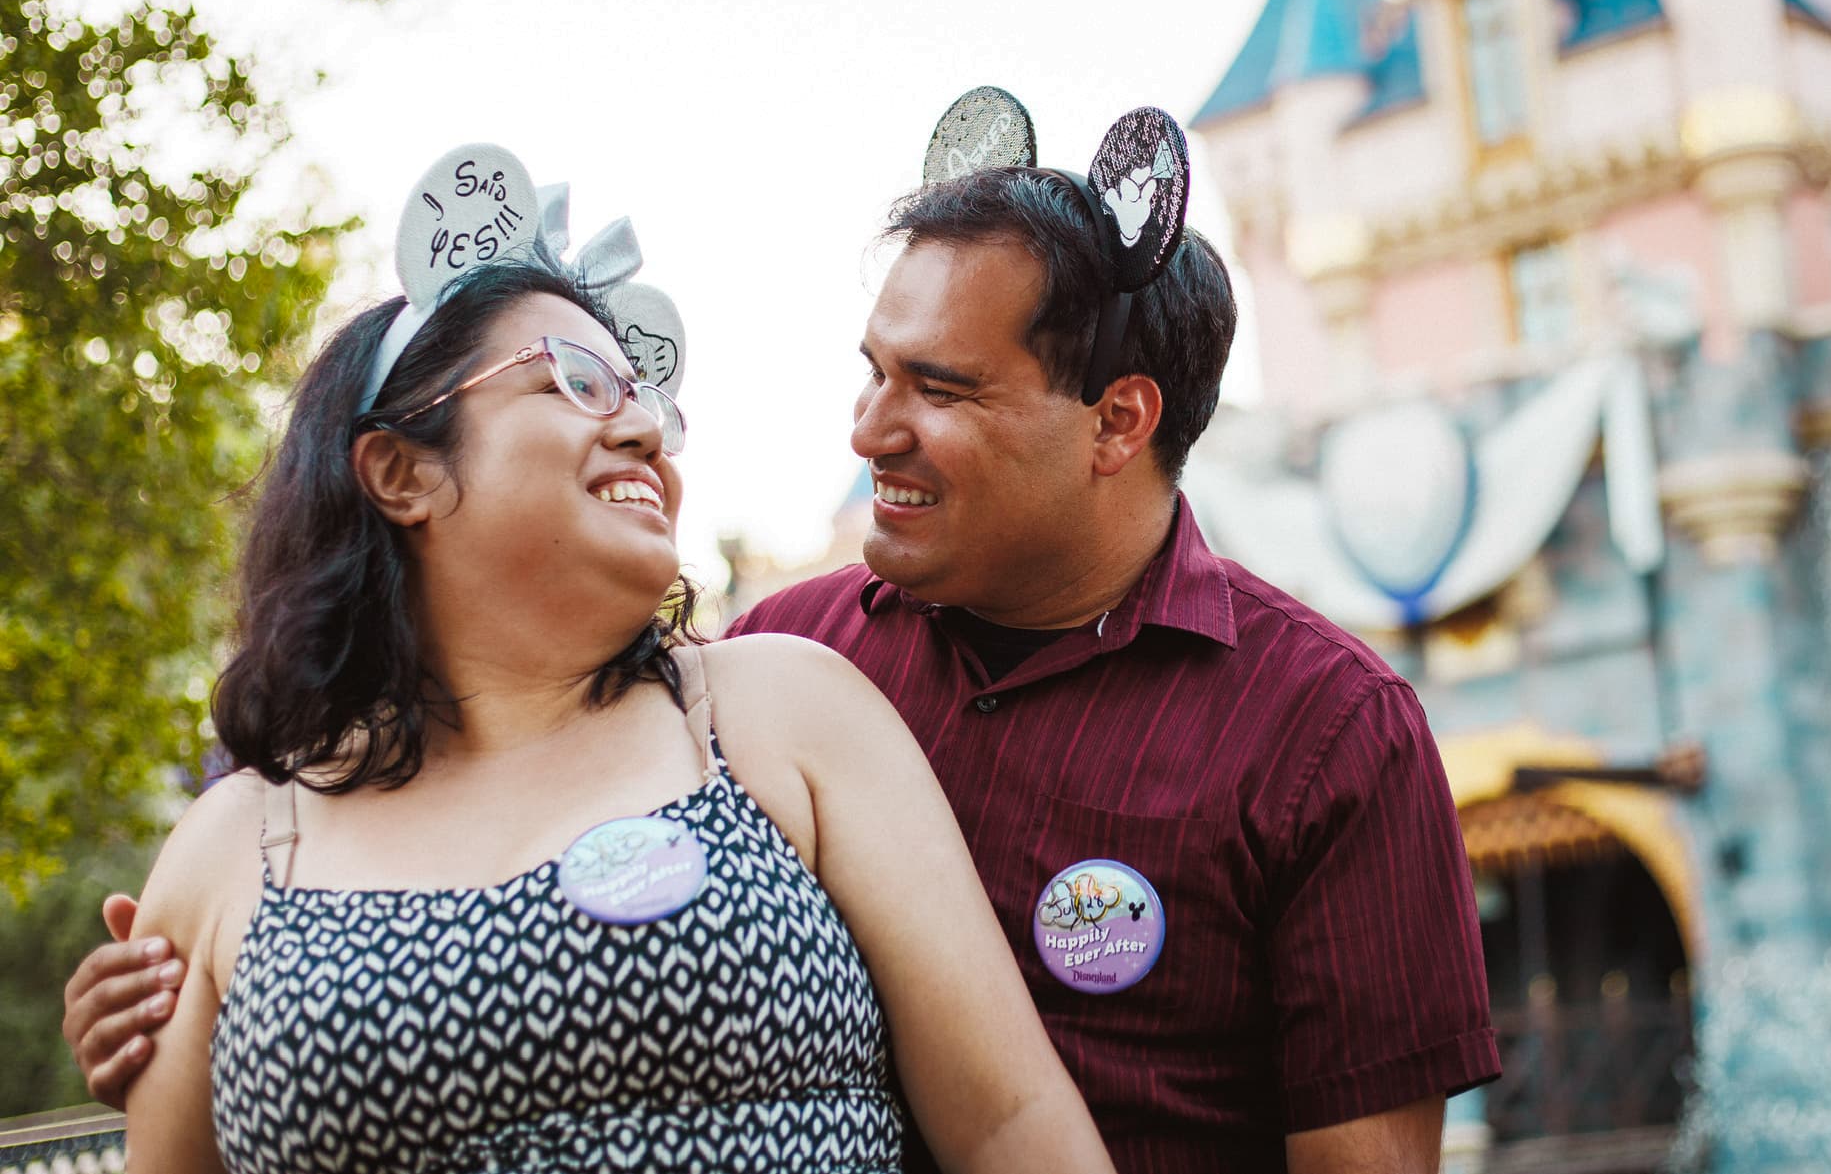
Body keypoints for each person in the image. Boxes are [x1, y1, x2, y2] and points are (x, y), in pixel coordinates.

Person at [71, 148, 1497, 1172]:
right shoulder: (783, 651)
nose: (868, 427)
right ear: (398, 471)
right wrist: (197, 1006)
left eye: (936, 387)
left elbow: (1023, 1122)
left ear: (1117, 422)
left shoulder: (1320, 727)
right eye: (874, 369)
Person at [108, 159, 1111, 1172]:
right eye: (578, 382)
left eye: (646, 399)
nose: (640, 426)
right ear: (401, 470)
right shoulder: (232, 852)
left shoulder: (781, 713)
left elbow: (1009, 1125)